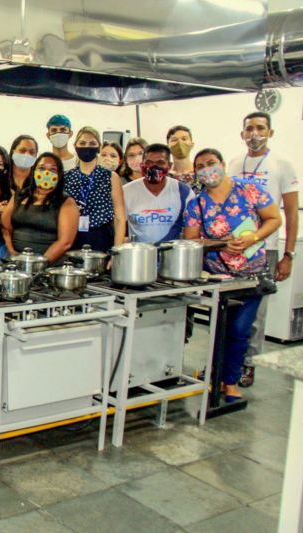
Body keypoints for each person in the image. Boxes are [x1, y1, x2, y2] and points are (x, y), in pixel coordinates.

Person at [184, 148, 281, 402]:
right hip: (219, 277)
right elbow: (192, 240)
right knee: (220, 328)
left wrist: (254, 236)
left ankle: (231, 381)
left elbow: (273, 218)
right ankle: (216, 375)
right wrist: (219, 244)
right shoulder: (197, 204)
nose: (208, 169)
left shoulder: (248, 190)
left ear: (223, 164)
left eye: (212, 163)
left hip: (252, 274)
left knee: (240, 329)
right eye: (201, 166)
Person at [228, 111, 299, 385]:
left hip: (264, 249)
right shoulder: (234, 163)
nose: (254, 134)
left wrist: (288, 255)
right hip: (234, 249)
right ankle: (228, 362)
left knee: (255, 313)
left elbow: (291, 213)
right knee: (231, 310)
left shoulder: (282, 165)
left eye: (260, 128)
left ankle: (249, 363)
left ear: (270, 132)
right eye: (249, 129)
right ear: (242, 133)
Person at [2, 153, 79, 262]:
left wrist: (39, 264)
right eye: (42, 168)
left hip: (49, 266)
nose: (46, 173)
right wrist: (12, 253)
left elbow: (65, 242)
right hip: (15, 263)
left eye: (53, 170)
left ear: (59, 175)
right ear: (34, 172)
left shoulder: (67, 203)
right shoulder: (19, 196)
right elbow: (5, 228)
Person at [63, 126, 126, 251]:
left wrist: (117, 252)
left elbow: (120, 218)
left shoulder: (111, 177)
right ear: (75, 146)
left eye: (92, 143)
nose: (87, 146)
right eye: (82, 143)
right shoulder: (66, 177)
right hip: (72, 237)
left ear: (99, 147)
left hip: (102, 238)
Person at [123, 143, 194, 243]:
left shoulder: (183, 192)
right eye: (149, 162)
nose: (153, 166)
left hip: (173, 254)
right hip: (140, 255)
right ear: (142, 165)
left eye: (160, 162)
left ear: (169, 166)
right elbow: (118, 225)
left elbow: (192, 230)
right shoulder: (126, 192)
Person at [166, 125, 199, 193]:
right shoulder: (164, 176)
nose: (180, 143)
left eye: (184, 139)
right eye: (174, 140)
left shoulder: (201, 173)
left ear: (192, 145)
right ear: (168, 146)